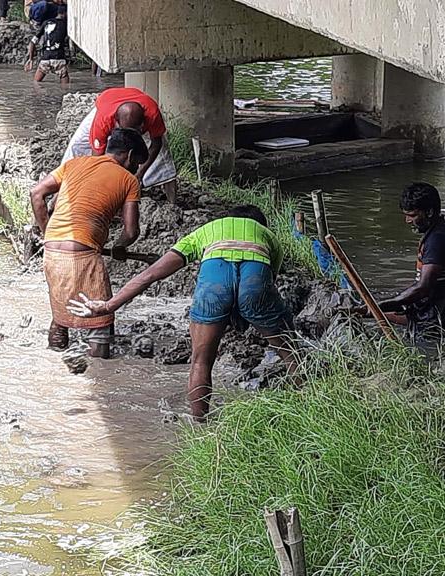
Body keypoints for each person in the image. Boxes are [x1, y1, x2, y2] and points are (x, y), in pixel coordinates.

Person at [68, 205, 299, 423]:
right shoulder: (268, 236)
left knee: (201, 362)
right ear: (259, 224)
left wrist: (109, 306)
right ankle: (304, 402)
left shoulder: (208, 230)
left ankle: (201, 425)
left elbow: (151, 275)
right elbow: (267, 286)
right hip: (255, 280)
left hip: (213, 287)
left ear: (226, 218)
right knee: (290, 352)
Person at [29, 127, 146, 358]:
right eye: (138, 163)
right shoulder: (129, 180)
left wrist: (47, 233)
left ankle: (54, 362)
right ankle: (97, 375)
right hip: (83, 254)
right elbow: (131, 231)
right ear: (129, 155)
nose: (137, 169)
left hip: (52, 251)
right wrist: (118, 247)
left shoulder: (74, 164)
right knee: (101, 322)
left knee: (61, 313)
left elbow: (36, 193)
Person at [365, 182, 445, 340]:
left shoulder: (437, 240)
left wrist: (390, 303)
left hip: (430, 324)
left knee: (375, 311)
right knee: (373, 311)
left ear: (429, 212)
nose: (407, 221)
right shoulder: (440, 231)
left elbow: (423, 287)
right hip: (435, 315)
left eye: (413, 215)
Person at [62, 87, 178, 201]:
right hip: (106, 106)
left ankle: (173, 203)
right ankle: (64, 188)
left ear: (142, 125)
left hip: (137, 113)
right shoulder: (103, 120)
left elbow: (156, 144)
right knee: (76, 146)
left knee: (164, 159)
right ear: (116, 124)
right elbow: (96, 156)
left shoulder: (152, 114)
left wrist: (139, 174)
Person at [26, 7, 68, 82]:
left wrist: (30, 59)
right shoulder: (65, 25)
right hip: (59, 58)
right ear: (65, 13)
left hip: (45, 58)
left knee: (36, 83)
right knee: (66, 86)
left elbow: (32, 42)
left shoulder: (46, 23)